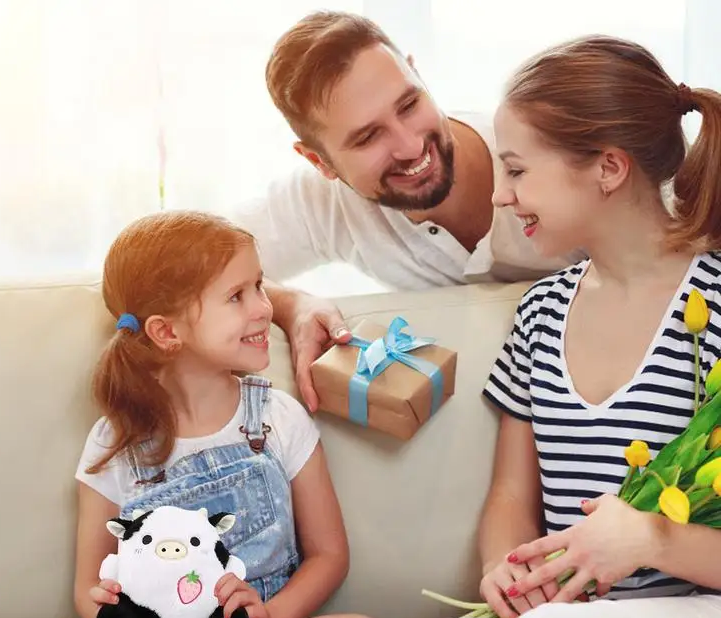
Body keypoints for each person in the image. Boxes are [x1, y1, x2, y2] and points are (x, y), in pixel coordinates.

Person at [404, 35, 721, 618]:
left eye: (517, 170)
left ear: (608, 167)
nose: (501, 195)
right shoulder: (542, 312)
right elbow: (514, 496)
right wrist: (507, 571)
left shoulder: (713, 307)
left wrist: (649, 538)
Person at [18, 210, 391, 618]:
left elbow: (330, 554)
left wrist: (273, 617)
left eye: (259, 286)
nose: (264, 307)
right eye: (237, 296)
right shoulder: (116, 441)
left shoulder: (277, 417)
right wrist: (104, 605)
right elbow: (88, 586)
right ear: (167, 332)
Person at [231, 11, 581, 412]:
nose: (411, 146)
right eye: (368, 137)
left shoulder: (549, 151)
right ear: (318, 161)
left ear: (418, 75)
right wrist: (291, 304)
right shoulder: (322, 203)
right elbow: (187, 264)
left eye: (409, 104)